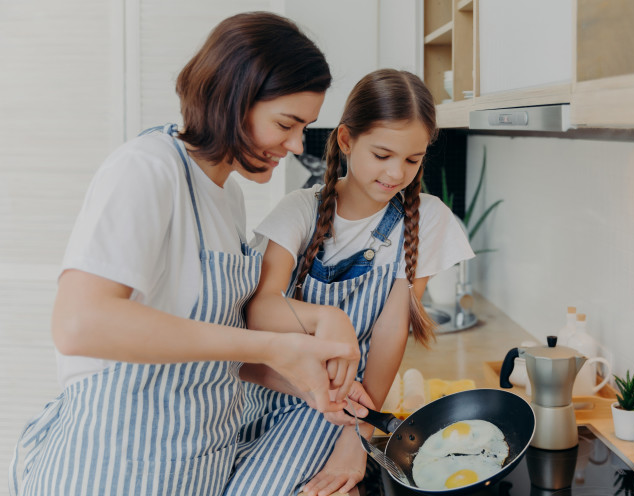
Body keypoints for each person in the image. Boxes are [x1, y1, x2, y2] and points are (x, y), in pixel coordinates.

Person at [9, 12, 368, 496]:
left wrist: (308, 384)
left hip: (189, 469)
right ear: (233, 99)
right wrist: (273, 347)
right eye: (286, 124)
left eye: (303, 127)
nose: (296, 144)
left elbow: (201, 360)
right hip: (112, 470)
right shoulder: (148, 170)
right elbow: (80, 325)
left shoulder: (227, 197)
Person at [228, 69, 475, 496]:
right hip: (270, 387)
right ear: (346, 140)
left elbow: (390, 330)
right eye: (382, 154)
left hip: (344, 404)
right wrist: (329, 317)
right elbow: (260, 308)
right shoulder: (300, 210)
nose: (397, 172)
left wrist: (356, 437)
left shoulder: (428, 218)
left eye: (413, 160)